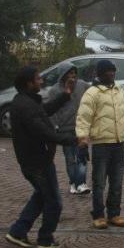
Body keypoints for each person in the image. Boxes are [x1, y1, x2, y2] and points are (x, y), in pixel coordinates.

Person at [6, 66, 76, 248]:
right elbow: (43, 132)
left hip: (36, 160)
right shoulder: (25, 106)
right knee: (53, 201)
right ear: (29, 83)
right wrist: (73, 140)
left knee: (40, 196)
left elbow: (44, 112)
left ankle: (18, 231)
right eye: (38, 79)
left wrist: (65, 95)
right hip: (37, 162)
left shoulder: (26, 102)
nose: (41, 81)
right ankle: (45, 239)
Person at [76, 59, 124, 230]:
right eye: (107, 71)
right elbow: (83, 119)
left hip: (119, 144)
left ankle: (114, 213)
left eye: (113, 71)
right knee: (99, 183)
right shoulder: (92, 93)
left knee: (117, 182)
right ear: (99, 74)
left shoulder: (120, 92)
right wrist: (82, 142)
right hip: (101, 145)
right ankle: (98, 215)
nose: (111, 74)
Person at [48, 62, 90, 195]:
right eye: (70, 73)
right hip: (65, 128)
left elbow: (93, 94)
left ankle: (81, 183)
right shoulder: (54, 90)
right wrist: (54, 125)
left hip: (81, 127)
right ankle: (73, 182)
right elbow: (52, 110)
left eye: (74, 73)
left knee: (82, 156)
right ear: (63, 75)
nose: (73, 76)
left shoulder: (82, 85)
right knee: (70, 157)